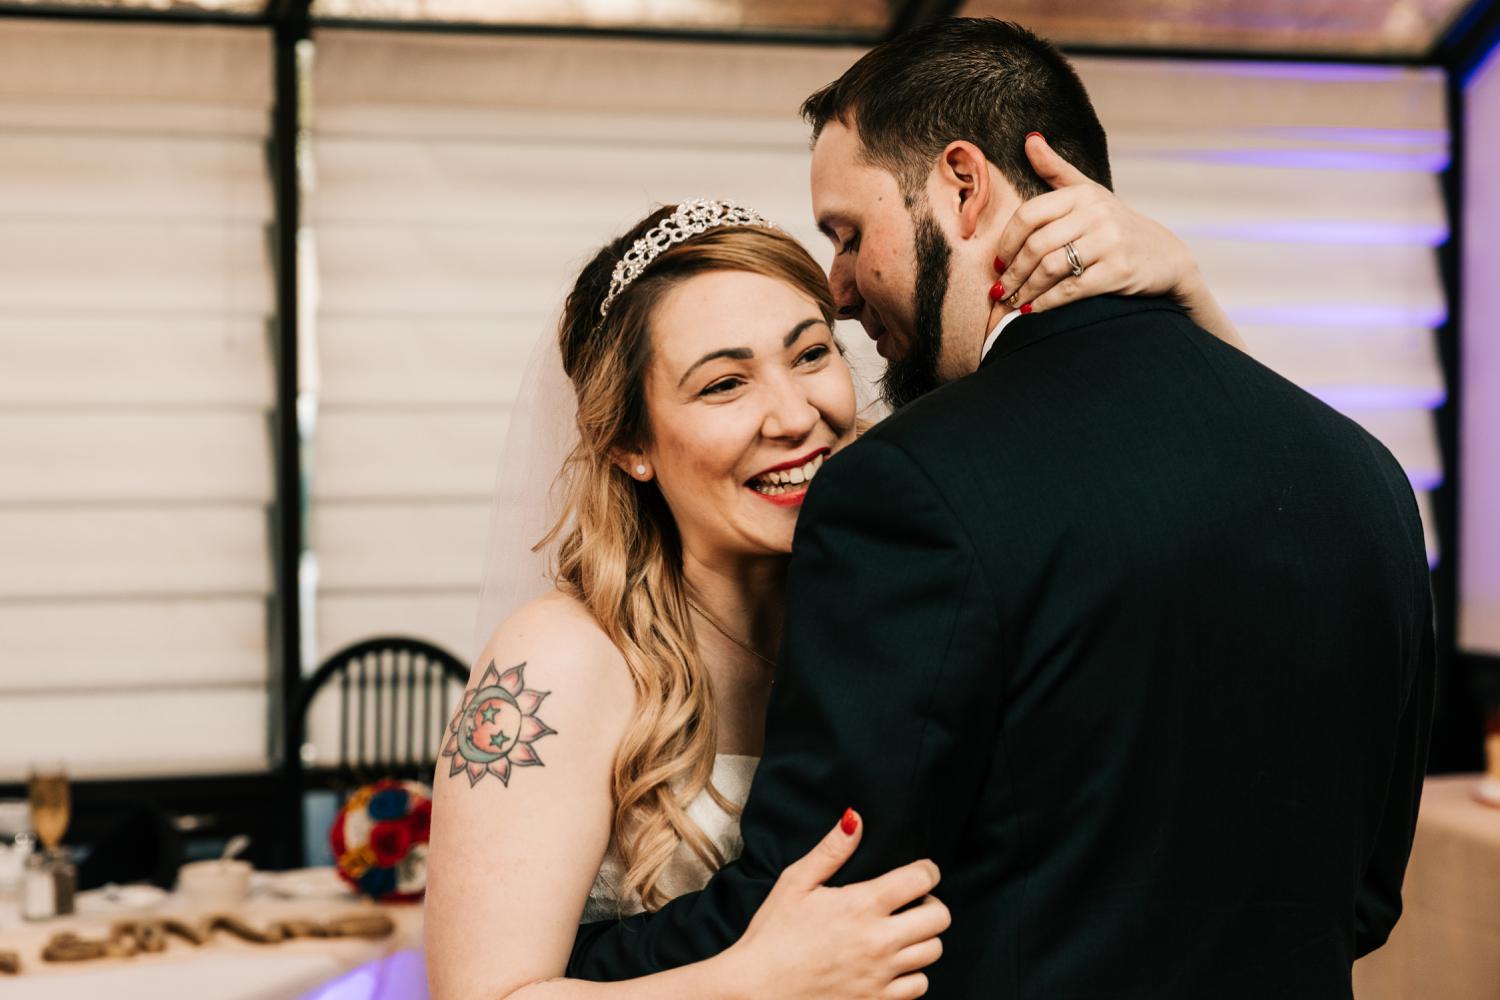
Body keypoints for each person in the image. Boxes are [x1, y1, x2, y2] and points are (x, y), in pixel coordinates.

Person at [558, 17, 1435, 1000]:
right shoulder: (1369, 478)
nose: (842, 289)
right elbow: (1363, 900)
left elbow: (824, 894)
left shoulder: (908, 485)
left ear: (962, 187)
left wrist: (567, 971)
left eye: (849, 233)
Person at [425, 160, 1248, 1000]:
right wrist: (758, 980)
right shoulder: (562, 660)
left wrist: (1186, 290)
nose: (794, 415)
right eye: (723, 384)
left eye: (811, 353)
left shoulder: (896, 603)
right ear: (631, 444)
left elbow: (1229, 490)